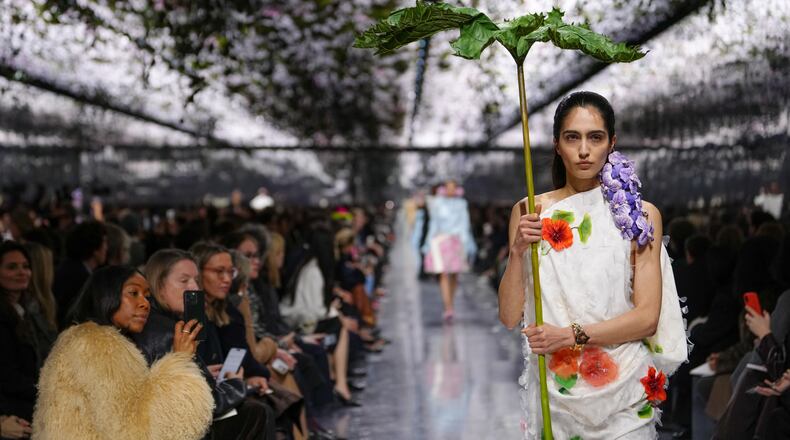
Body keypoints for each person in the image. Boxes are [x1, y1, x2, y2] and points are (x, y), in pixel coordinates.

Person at [498, 91, 687, 439]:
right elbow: (510, 316)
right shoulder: (530, 212)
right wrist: (516, 251)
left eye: (595, 137)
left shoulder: (640, 215)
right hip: (557, 394)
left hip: (627, 394)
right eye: (573, 137)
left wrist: (568, 335)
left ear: (611, 142)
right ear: (557, 144)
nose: (584, 150)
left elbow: (647, 319)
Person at [32, 265, 213, 440]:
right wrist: (180, 361)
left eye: (147, 296)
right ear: (106, 295)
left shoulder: (81, 339)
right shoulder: (98, 345)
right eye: (133, 293)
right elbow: (134, 431)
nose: (144, 303)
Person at [134, 249, 277, 440]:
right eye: (184, 281)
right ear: (159, 286)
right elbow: (207, 402)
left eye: (196, 280)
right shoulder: (170, 330)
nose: (194, 287)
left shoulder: (170, 322)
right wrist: (235, 383)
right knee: (259, 412)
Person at [0, 242, 54, 424]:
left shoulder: (27, 310)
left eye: (26, 267)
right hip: (13, 415)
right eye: (12, 267)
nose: (22, 272)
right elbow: (8, 377)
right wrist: (47, 389)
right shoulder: (3, 317)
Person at [421, 179, 477, 322]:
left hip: (457, 241)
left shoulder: (461, 204)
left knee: (454, 275)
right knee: (443, 274)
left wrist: (467, 243)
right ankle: (448, 307)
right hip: (440, 241)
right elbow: (434, 223)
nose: (451, 190)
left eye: (453, 187)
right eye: (448, 187)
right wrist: (428, 242)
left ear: (457, 189)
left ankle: (450, 303)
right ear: (444, 189)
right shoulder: (437, 203)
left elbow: (465, 223)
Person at [52, 221, 108, 328]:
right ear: (95, 248)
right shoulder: (80, 277)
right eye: (105, 242)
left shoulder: (72, 268)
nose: (106, 248)